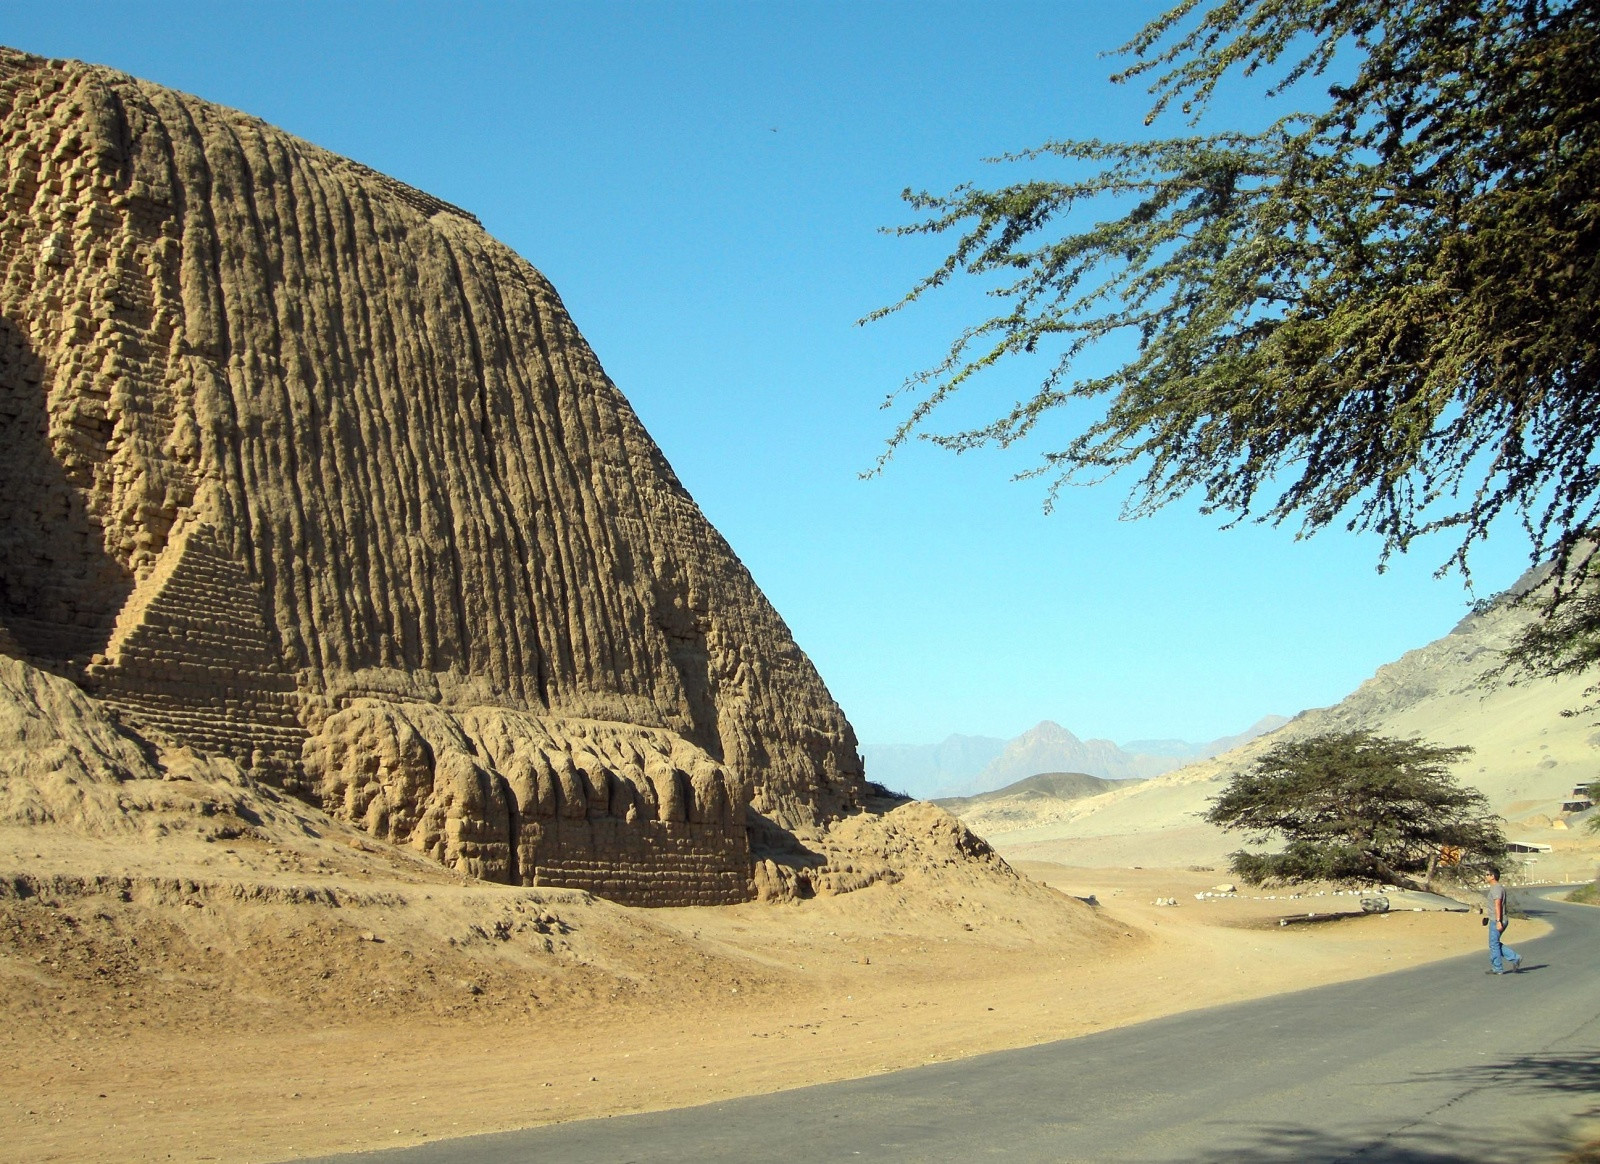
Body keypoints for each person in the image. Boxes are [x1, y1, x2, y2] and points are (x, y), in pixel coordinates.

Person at [1484, 866, 1522, 975]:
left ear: (1493, 876)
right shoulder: (1495, 888)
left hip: (1498, 920)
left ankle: (1498, 967)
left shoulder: (1496, 888)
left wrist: (1498, 921)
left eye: (1487, 874)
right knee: (1494, 943)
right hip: (1494, 919)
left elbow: (1498, 904)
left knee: (1493, 944)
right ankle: (1515, 958)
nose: (1485, 877)